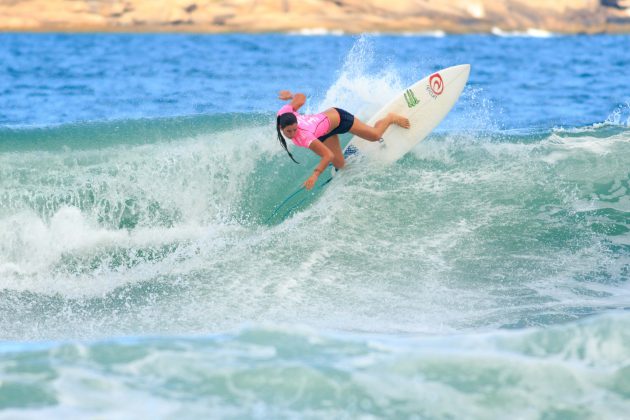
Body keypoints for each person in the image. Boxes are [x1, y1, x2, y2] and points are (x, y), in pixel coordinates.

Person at [276, 90, 410, 190]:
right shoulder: (283, 113)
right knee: (340, 165)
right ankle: (342, 147)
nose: (293, 134)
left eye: (295, 129)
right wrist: (291, 96)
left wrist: (315, 175)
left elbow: (328, 155)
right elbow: (301, 98)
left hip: (339, 119)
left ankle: (390, 118)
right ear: (281, 127)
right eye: (289, 131)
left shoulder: (304, 136)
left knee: (375, 136)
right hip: (323, 132)